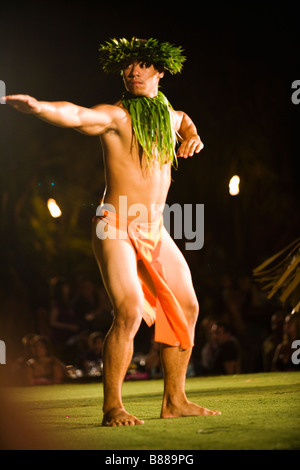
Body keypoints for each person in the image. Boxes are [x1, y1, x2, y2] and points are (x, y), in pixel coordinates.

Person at [4, 37, 221, 425]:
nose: (133, 71)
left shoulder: (170, 116)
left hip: (154, 227)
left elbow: (184, 119)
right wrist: (39, 108)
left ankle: (174, 400)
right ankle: (112, 407)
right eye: (128, 66)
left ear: (160, 71)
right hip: (115, 225)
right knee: (129, 311)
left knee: (188, 306)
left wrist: (191, 136)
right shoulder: (117, 116)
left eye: (142, 65)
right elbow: (77, 114)